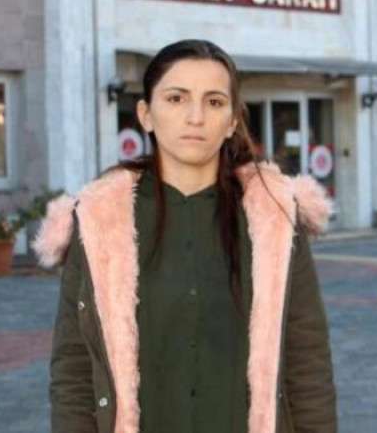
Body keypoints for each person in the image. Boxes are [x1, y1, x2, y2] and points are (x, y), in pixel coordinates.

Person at [33, 39, 337, 433]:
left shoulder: (274, 218)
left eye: (214, 102)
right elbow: (73, 368)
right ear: (146, 114)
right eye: (176, 98)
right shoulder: (98, 220)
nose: (196, 117)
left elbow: (307, 362)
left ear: (232, 120)